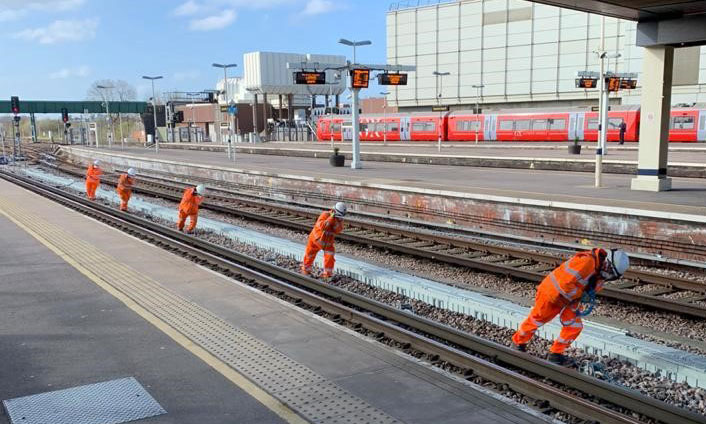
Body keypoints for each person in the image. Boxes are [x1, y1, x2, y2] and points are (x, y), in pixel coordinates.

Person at [512, 248, 629, 366]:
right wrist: (582, 295)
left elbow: (588, 289)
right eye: (610, 271)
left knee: (575, 326)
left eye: (612, 275)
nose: (608, 275)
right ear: (606, 261)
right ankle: (518, 343)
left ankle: (555, 354)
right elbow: (565, 284)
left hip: (570, 299)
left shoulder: (600, 274)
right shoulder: (587, 261)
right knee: (537, 319)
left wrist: (585, 295)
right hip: (551, 294)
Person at [300, 202, 347, 279]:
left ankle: (327, 274)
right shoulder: (325, 215)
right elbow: (322, 226)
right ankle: (306, 269)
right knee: (310, 254)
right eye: (339, 216)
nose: (340, 218)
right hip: (315, 239)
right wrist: (331, 219)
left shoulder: (339, 220)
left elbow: (338, 230)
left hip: (327, 243)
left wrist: (336, 222)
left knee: (329, 256)